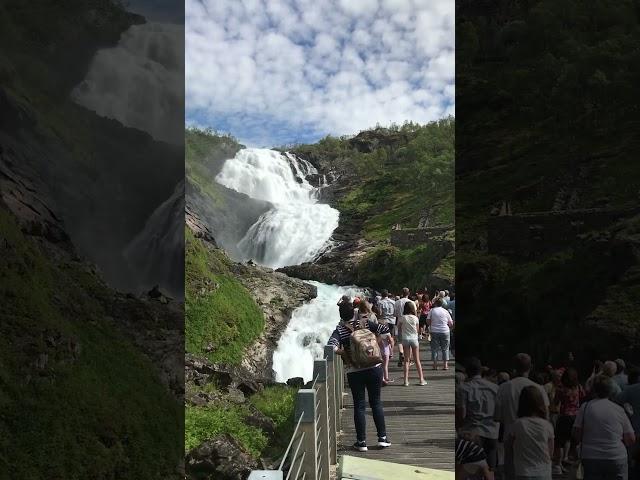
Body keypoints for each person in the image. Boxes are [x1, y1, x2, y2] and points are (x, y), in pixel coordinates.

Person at [327, 312, 393, 452]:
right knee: (376, 403)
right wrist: (376, 343)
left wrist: (344, 353)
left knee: (359, 405)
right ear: (354, 313)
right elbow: (386, 330)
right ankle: (382, 438)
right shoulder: (366, 323)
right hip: (374, 367)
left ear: (341, 315)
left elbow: (331, 346)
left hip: (354, 371)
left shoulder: (340, 330)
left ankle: (361, 442)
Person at [495, 353, 550, 480]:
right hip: (535, 441)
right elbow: (545, 417)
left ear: (514, 367)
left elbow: (497, 417)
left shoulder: (503, 388)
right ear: (530, 367)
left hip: (510, 440)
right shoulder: (538, 388)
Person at [573, 375, 635, 480]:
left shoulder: (585, 407)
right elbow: (631, 439)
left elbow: (576, 434)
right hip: (616, 456)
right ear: (610, 391)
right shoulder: (618, 409)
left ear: (593, 390)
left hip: (591, 457)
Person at [456, 357, 500, 471]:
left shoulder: (464, 388)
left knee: (472, 470)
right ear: (481, 370)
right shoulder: (495, 388)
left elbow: (462, 413)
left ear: (466, 371)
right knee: (490, 470)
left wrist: (459, 428)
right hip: (492, 432)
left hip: (472, 431)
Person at [507, 386, 554, 480]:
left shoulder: (517, 424)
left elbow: (509, 448)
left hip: (523, 471)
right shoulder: (547, 425)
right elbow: (550, 453)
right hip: (543, 471)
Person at [551, 367, 584, 475]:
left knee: (559, 443)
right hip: (576, 417)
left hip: (564, 417)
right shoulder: (578, 387)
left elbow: (555, 403)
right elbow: (583, 396)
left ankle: (557, 465)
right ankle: (573, 462)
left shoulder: (560, 389)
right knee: (573, 441)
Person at [397, 301, 427, 386]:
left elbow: (399, 328)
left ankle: (406, 381)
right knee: (417, 360)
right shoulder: (415, 318)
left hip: (405, 339)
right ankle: (421, 379)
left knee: (406, 360)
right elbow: (417, 330)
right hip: (414, 339)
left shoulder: (402, 318)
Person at [427, 298, 454, 370]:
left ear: (435, 303)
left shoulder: (432, 311)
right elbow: (451, 323)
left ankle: (435, 365)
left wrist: (432, 325)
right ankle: (445, 365)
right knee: (445, 348)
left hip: (434, 331)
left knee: (434, 349)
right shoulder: (445, 311)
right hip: (445, 331)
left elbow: (428, 321)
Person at [394, 287, 412, 367]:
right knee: (410, 340)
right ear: (408, 293)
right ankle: (409, 359)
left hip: (400, 321)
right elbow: (414, 313)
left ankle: (401, 352)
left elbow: (394, 314)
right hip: (410, 322)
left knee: (400, 340)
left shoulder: (397, 302)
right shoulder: (411, 302)